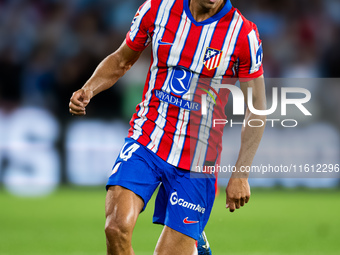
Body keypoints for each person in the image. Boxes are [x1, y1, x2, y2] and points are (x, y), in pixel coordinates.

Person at [69, 0, 266, 254]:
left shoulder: (243, 33)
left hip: (197, 159)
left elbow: (257, 105)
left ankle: (195, 245)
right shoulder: (156, 9)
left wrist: (241, 173)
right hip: (148, 138)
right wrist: (88, 89)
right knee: (115, 228)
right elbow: (121, 60)